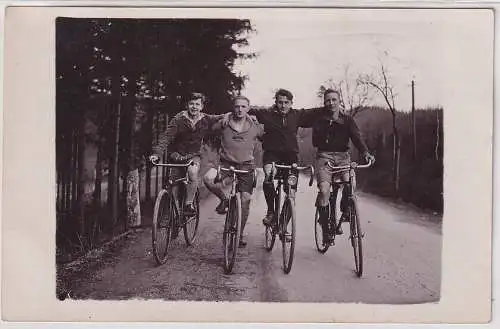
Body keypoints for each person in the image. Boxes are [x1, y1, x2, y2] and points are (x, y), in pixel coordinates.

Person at [245, 89, 321, 226]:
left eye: (286, 102)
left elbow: (316, 112)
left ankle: (283, 225)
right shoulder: (267, 114)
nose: (283, 105)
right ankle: (271, 212)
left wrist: (336, 110)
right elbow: (244, 109)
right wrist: (238, 115)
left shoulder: (297, 115)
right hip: (271, 154)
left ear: (291, 103)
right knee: (268, 178)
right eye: (280, 102)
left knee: (291, 193)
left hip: (291, 156)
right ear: (276, 102)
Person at [149, 92, 227, 216]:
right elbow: (166, 137)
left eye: (197, 104)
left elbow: (222, 117)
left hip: (194, 155)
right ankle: (174, 216)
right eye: (191, 104)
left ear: (202, 107)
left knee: (192, 172)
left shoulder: (205, 119)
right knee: (173, 187)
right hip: (176, 155)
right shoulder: (178, 119)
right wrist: (157, 154)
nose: (194, 107)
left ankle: (188, 204)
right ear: (187, 105)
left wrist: (237, 115)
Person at [313, 89, 375, 241]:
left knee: (350, 183)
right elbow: (315, 142)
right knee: (324, 190)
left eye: (334, 100)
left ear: (339, 101)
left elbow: (357, 138)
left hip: (343, 158)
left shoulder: (347, 120)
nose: (331, 103)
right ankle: (326, 228)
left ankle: (345, 208)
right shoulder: (320, 120)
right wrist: (327, 130)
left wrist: (365, 153)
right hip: (325, 157)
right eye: (328, 100)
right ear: (324, 103)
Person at [203, 95, 264, 247]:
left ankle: (240, 233)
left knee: (245, 200)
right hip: (225, 165)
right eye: (237, 106)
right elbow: (209, 128)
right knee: (208, 179)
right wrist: (224, 116)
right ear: (233, 108)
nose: (240, 109)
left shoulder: (255, 126)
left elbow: (267, 138)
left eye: (243, 107)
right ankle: (224, 199)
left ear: (248, 109)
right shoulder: (224, 122)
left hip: (246, 167)